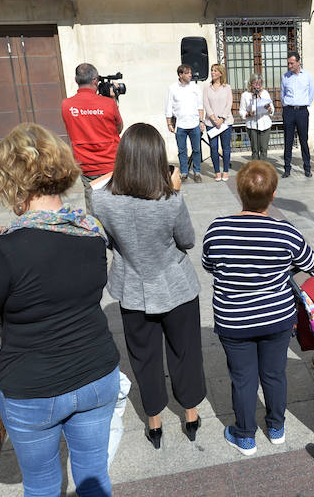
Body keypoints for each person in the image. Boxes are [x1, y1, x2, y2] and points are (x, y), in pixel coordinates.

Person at [0, 123, 120, 497]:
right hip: (97, 374)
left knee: (43, 484)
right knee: (94, 475)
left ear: (11, 182)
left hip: (32, 388)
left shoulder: (6, 248)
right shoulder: (91, 231)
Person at [92, 123, 205, 450]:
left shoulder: (101, 201)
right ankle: (191, 414)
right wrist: (177, 192)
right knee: (185, 352)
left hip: (133, 288)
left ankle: (154, 422)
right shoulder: (169, 200)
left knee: (144, 358)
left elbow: (108, 242)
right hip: (176, 287)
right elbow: (187, 240)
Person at [202, 160, 314, 455]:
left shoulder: (218, 229)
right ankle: (276, 428)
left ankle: (244, 436)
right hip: (276, 318)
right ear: (274, 194)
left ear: (240, 193)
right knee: (274, 374)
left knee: (243, 378)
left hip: (234, 320)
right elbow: (311, 263)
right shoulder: (286, 232)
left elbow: (209, 265)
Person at [61, 62, 123, 214]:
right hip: (112, 164)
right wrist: (114, 100)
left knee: (94, 210)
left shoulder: (67, 105)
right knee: (118, 208)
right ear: (95, 81)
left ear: (76, 80)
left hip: (87, 166)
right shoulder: (108, 103)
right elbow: (119, 128)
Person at [166, 64, 205, 183]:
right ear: (180, 74)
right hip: (180, 125)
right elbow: (168, 106)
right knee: (182, 150)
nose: (190, 75)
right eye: (187, 73)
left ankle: (197, 171)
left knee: (197, 149)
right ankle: (184, 172)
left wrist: (201, 121)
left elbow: (200, 106)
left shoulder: (195, 87)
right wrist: (169, 123)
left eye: (190, 73)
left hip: (194, 124)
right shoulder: (172, 88)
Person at [281, 51, 314, 178]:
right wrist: (286, 105)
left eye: (292, 63)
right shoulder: (285, 77)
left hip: (302, 111)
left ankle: (307, 167)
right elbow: (282, 94)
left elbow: (311, 93)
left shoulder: (307, 76)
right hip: (289, 111)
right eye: (288, 63)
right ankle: (287, 168)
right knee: (288, 140)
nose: (289, 66)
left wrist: (304, 104)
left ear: (298, 62)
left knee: (303, 140)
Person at [203, 63, 234, 181]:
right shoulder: (206, 87)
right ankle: (217, 172)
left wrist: (221, 119)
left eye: (215, 71)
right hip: (211, 123)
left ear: (221, 73)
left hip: (225, 122)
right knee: (213, 147)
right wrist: (214, 119)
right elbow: (206, 103)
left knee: (226, 147)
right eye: (211, 70)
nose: (212, 72)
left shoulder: (227, 87)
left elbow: (229, 104)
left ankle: (225, 171)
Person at [239, 74, 275, 161]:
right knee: (255, 150)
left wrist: (269, 109)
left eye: (260, 83)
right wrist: (248, 114)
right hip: (252, 125)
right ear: (251, 84)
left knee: (264, 149)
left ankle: (263, 171)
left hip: (265, 124)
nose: (258, 86)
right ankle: (255, 170)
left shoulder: (265, 93)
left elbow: (272, 109)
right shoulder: (245, 95)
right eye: (255, 83)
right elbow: (241, 111)